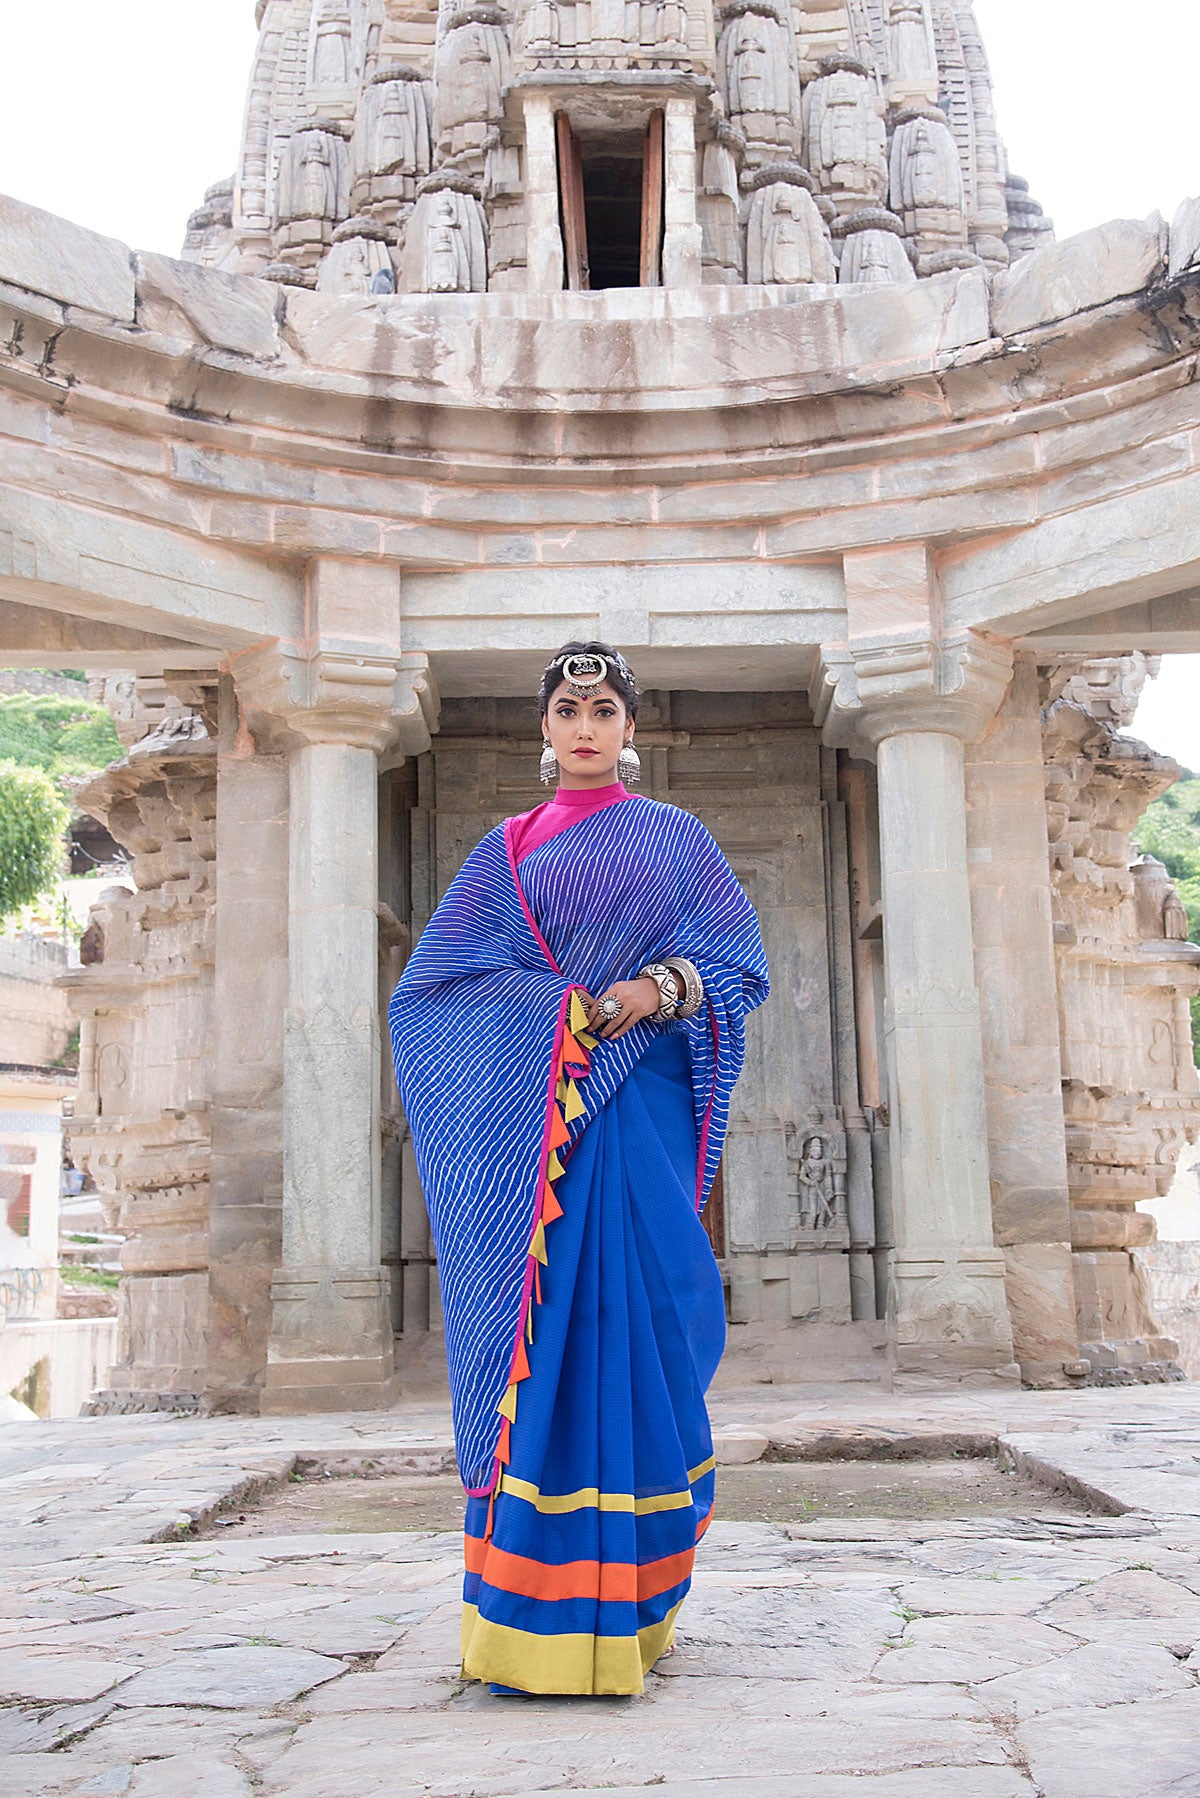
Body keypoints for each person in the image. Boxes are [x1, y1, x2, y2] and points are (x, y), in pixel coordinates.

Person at [388, 641, 770, 1696]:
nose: (586, 726)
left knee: (656, 1320)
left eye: (604, 710)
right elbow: (433, 992)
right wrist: (552, 1016)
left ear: (630, 727)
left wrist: (657, 989)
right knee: (545, 1341)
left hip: (637, 1110)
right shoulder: (503, 851)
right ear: (546, 727)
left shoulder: (676, 838)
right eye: (568, 709)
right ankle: (534, 1625)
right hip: (536, 1143)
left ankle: (637, 1602)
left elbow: (741, 963)